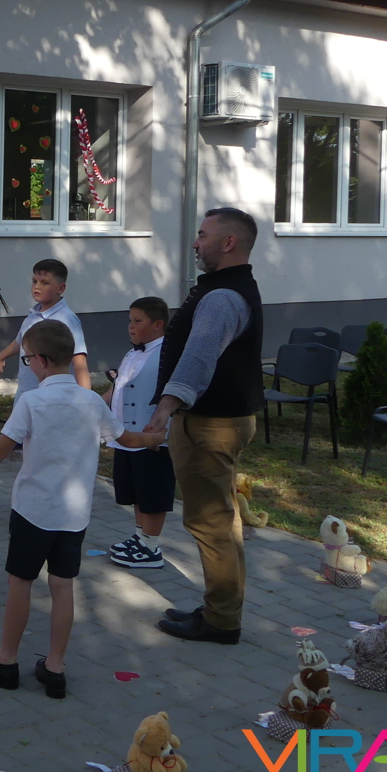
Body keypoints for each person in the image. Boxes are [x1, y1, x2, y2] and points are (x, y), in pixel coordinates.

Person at [0, 321, 123, 700]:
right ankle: (55, 668)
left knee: (20, 583)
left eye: (26, 360)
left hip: (33, 510)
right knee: (63, 587)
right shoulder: (91, 401)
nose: (27, 365)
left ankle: (6, 661)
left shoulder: (32, 401)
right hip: (74, 515)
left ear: (40, 360)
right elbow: (124, 436)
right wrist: (155, 437)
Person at [128, 208, 264, 645]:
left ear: (228, 243)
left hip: (210, 424)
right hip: (218, 421)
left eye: (203, 235)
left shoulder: (223, 296)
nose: (195, 243)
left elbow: (198, 358)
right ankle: (219, 608)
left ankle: (221, 620)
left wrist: (164, 410)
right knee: (222, 521)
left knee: (210, 523)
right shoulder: (225, 288)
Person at [102, 297, 173, 570]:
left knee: (153, 493)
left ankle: (151, 547)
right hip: (127, 436)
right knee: (136, 492)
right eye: (130, 320)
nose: (130, 326)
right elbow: (118, 388)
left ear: (157, 324)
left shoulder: (167, 354)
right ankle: (140, 537)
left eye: (137, 321)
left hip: (152, 438)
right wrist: (94, 405)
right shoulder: (132, 353)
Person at [0, 259, 90, 397]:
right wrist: (1, 357)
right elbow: (20, 341)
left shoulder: (66, 319)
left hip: (52, 395)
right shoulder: (33, 315)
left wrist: (86, 398)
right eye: (34, 281)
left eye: (45, 283)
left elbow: (79, 362)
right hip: (26, 391)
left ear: (60, 288)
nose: (37, 287)